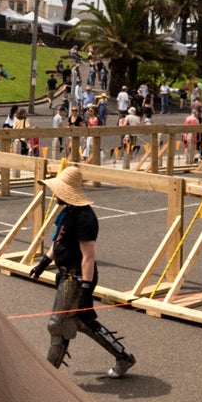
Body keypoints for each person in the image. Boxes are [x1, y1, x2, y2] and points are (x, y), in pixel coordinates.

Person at [41, 162, 136, 377]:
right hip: (65, 275)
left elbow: (88, 256)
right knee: (81, 322)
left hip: (76, 278)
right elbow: (58, 243)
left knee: (57, 323)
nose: (54, 194)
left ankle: (48, 376)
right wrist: (43, 263)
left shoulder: (85, 218)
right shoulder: (67, 212)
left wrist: (85, 289)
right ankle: (123, 358)